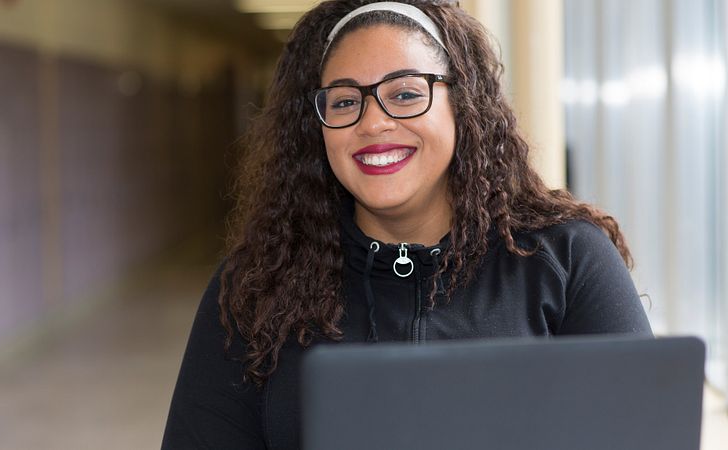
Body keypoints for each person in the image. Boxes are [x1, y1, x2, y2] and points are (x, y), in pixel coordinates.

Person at [161, 1, 652, 448]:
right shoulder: (255, 286)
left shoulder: (567, 260)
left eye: (405, 93)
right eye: (345, 101)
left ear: (462, 104)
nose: (372, 123)